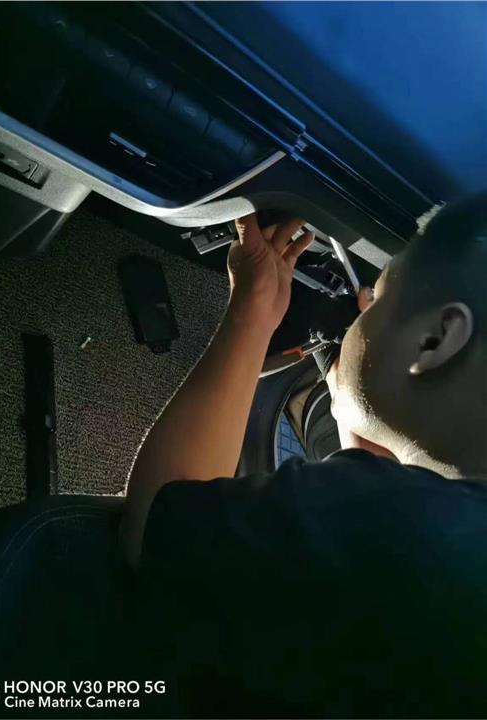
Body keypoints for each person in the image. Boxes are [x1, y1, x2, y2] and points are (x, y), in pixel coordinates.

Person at [123, 193, 487, 718]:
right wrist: (359, 429)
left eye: (378, 300)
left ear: (434, 340)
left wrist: (252, 312)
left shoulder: (379, 522)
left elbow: (155, 517)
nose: (363, 308)